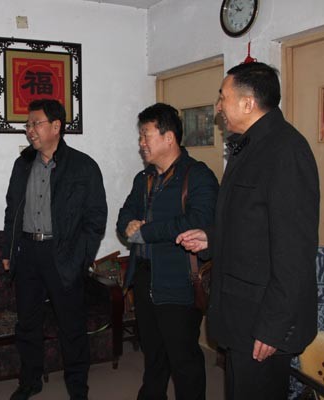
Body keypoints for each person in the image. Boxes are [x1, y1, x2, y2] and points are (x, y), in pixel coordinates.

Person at [176, 62, 320, 400]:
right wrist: (211, 237)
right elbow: (250, 222)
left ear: (247, 103)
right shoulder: (251, 146)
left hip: (262, 320)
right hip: (242, 314)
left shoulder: (286, 151)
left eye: (222, 98)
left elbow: (295, 252)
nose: (218, 107)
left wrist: (273, 328)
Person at [2, 99, 107, 400]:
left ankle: (77, 388)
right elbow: (12, 209)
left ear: (56, 126)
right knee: (28, 324)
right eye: (28, 125)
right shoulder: (23, 164)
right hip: (27, 253)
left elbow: (95, 218)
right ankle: (30, 381)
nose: (30, 130)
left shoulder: (83, 166)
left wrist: (80, 258)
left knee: (71, 326)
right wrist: (8, 250)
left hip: (63, 254)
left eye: (35, 123)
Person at [117, 103, 218, 400]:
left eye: (146, 135)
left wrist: (146, 231)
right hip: (144, 278)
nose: (141, 143)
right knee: (153, 355)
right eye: (140, 136)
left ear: (169, 137)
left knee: (183, 359)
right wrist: (128, 226)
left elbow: (199, 221)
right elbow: (125, 215)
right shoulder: (144, 178)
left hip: (179, 283)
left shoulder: (197, 176)